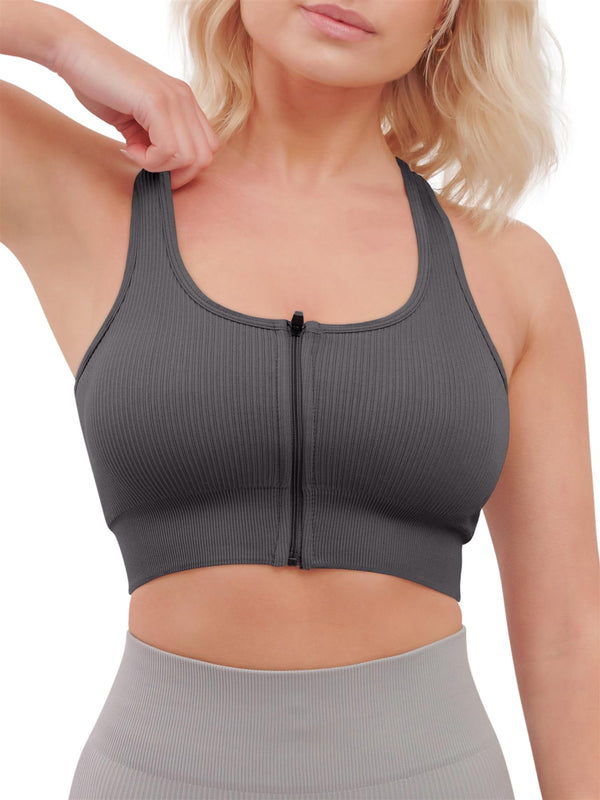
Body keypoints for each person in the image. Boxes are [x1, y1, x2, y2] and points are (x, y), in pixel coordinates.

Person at [1, 1, 598, 798]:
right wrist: (64, 43)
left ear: (449, 16)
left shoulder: (512, 273)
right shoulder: (91, 199)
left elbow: (566, 634)